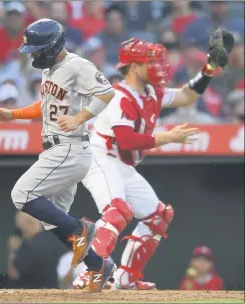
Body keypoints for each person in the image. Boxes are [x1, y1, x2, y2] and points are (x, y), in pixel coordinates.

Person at [73, 30, 234, 290]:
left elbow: (187, 96)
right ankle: (89, 273)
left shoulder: (152, 92)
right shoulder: (119, 97)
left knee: (157, 216)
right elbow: (127, 141)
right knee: (116, 212)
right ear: (134, 67)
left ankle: (125, 279)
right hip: (99, 158)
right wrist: (169, 137)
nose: (159, 66)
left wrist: (209, 67)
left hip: (121, 164)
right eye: (151, 62)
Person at [0, 18, 115, 293]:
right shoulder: (49, 70)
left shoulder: (78, 65)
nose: (33, 54)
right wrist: (15, 114)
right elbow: (46, 104)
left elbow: (107, 92)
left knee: (21, 194)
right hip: (60, 148)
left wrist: (81, 116)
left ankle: (81, 228)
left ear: (54, 45)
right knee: (51, 219)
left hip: (69, 146)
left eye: (37, 48)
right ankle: (98, 266)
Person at [7, 212, 65, 289]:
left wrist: (13, 250)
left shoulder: (29, 246)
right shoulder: (55, 240)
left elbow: (14, 274)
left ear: (27, 225)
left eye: (20, 228)